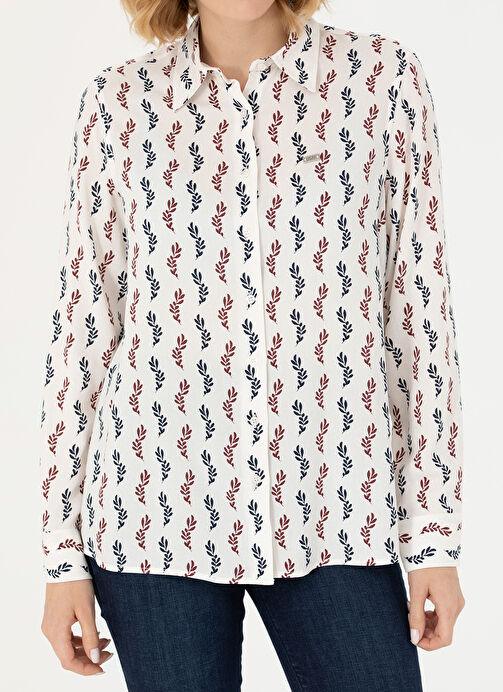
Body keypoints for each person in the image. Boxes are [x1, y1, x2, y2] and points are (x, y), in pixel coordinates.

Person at [39, 0, 466, 689]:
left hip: (335, 507)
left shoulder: (380, 79)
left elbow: (417, 312)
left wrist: (432, 536)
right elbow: (84, 327)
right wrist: (62, 556)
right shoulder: (118, 103)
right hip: (154, 516)